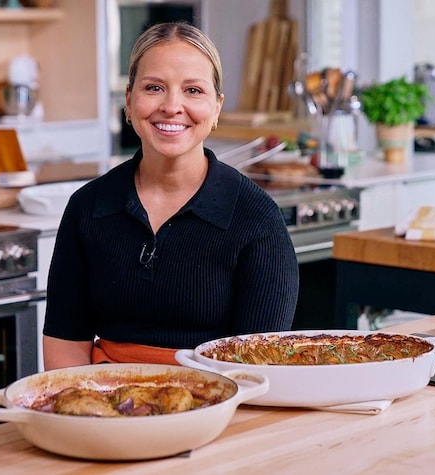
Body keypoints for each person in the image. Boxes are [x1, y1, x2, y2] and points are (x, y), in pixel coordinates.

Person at [42, 22, 299, 370]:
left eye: (193, 90)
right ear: (130, 100)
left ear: (217, 107)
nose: (172, 106)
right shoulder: (87, 207)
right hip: (104, 404)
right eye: (154, 88)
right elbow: (66, 343)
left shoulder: (257, 219)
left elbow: (257, 366)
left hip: (217, 408)